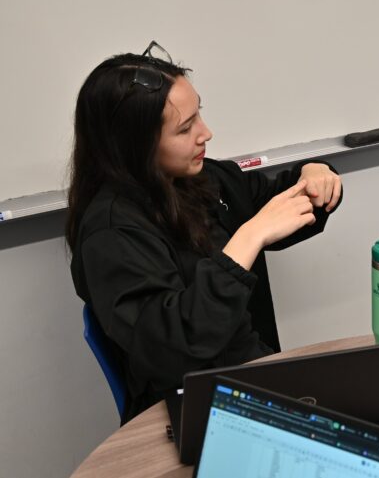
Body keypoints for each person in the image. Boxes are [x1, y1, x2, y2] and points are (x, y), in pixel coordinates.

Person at [67, 43, 343, 422]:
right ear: (135, 146)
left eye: (199, 114)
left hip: (251, 378)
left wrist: (315, 172)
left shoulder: (204, 178)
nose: (206, 133)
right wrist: (249, 238)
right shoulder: (111, 234)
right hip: (191, 410)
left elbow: (283, 201)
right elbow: (177, 346)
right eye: (185, 128)